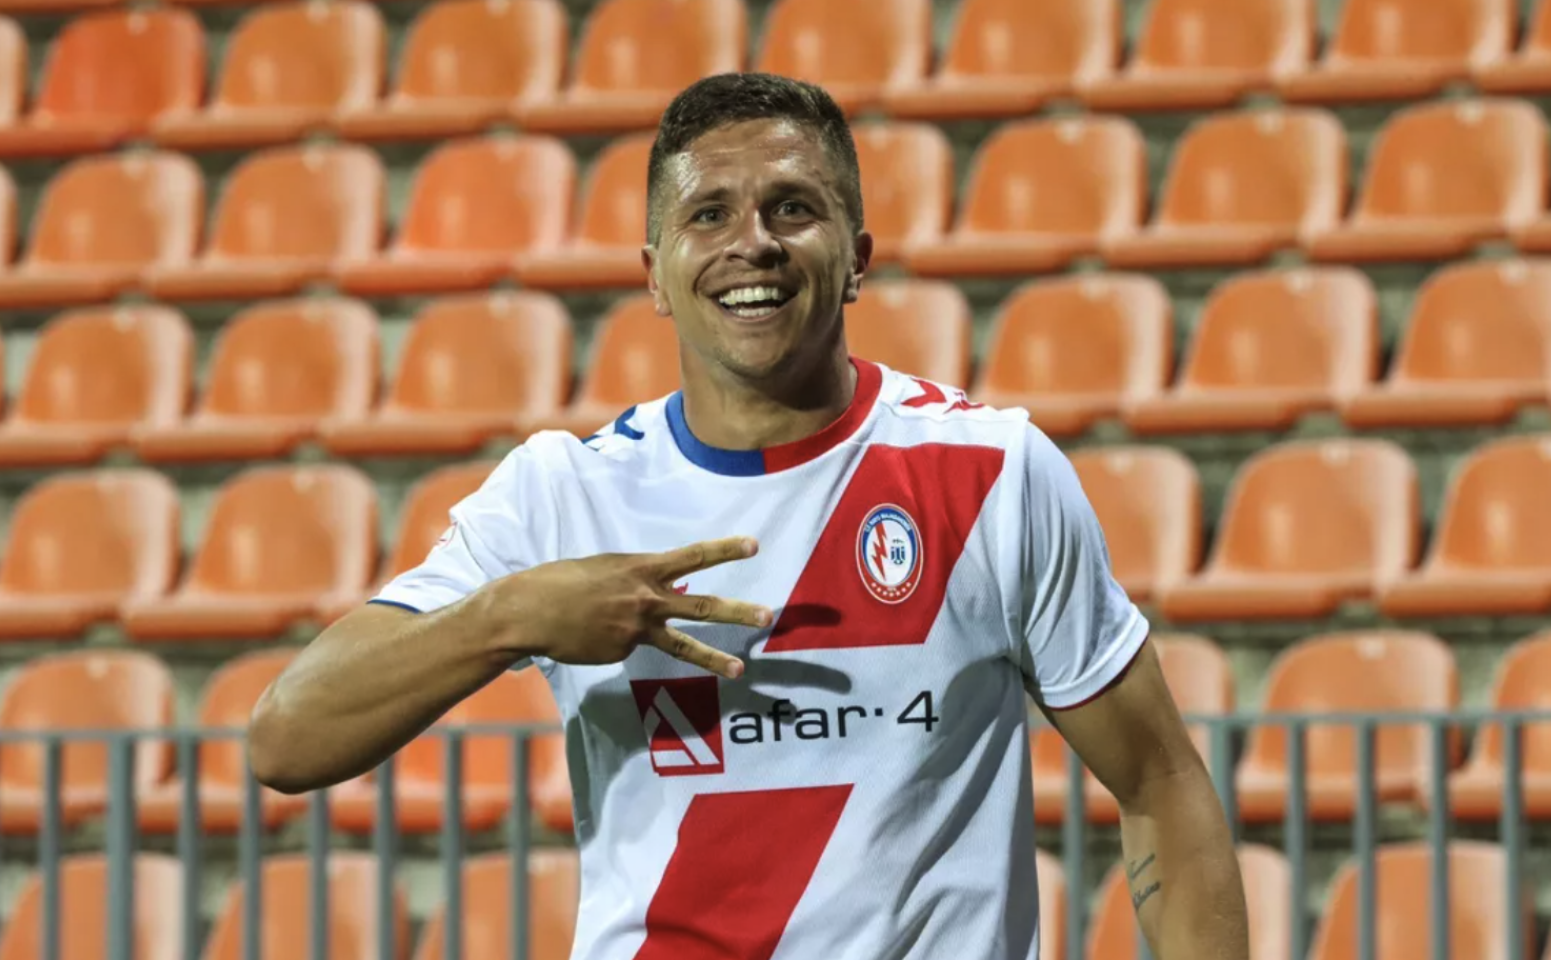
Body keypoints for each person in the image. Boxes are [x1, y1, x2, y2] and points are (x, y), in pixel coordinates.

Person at [247, 72, 1250, 960]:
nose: (752, 242)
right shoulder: (565, 495)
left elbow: (1162, 782)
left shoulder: (990, 474)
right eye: (709, 215)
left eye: (790, 207)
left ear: (856, 258)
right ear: (653, 273)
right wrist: (505, 618)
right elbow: (287, 740)